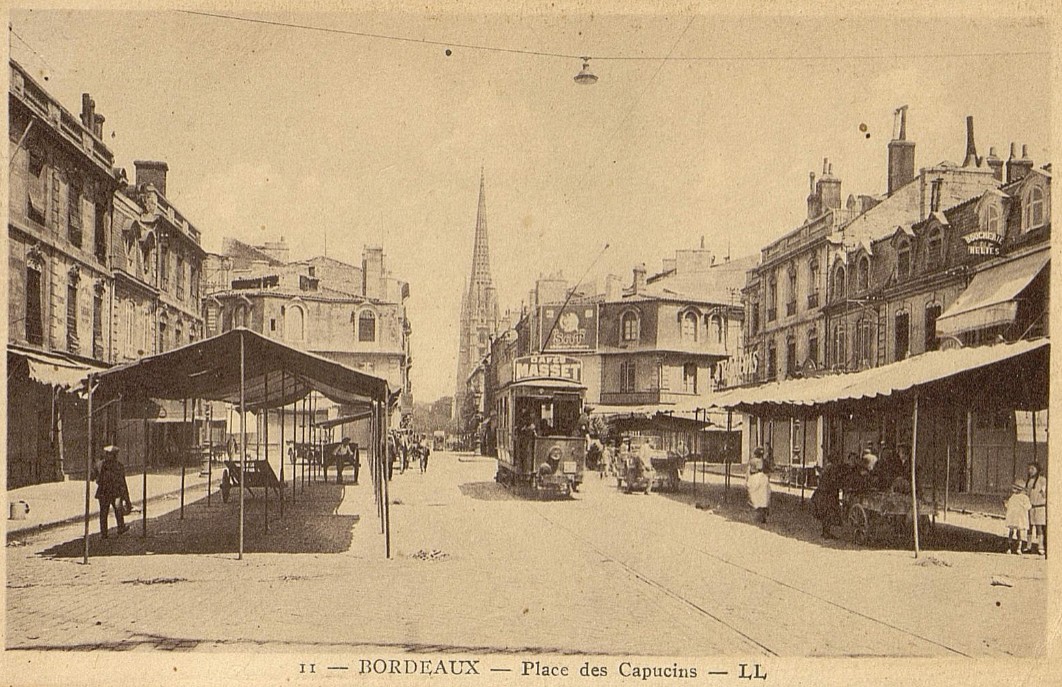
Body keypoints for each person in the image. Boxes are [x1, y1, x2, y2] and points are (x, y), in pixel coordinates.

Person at [95, 446, 131, 538]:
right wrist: (127, 499)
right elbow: (122, 483)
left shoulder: (100, 465)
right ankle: (117, 528)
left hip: (106, 492)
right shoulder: (118, 466)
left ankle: (107, 532)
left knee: (108, 511)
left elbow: (93, 476)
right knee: (114, 510)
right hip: (113, 492)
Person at [810, 454, 849, 539]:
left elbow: (822, 477)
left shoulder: (827, 467)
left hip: (822, 492)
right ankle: (826, 533)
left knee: (825, 512)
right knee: (828, 512)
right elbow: (833, 480)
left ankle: (825, 532)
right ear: (835, 460)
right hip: (828, 493)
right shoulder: (832, 468)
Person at [1004, 480, 1032, 555]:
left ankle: (1019, 548)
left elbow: (1028, 506)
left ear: (1019, 489)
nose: (1014, 490)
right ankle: (1009, 547)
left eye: (1015, 488)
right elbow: (1009, 505)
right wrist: (1006, 504)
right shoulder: (1013, 497)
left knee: (1019, 533)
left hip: (1020, 517)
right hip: (1013, 517)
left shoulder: (1024, 497)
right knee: (1011, 532)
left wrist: (1022, 506)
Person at [1025, 462, 1047, 556]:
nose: (1030, 471)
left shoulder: (1042, 480)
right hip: (1031, 506)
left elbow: (1044, 492)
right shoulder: (1029, 481)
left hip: (1039, 506)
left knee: (1039, 527)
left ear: (1037, 470)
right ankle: (1028, 546)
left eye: (1032, 469)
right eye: (1029, 469)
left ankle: (1040, 547)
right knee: (1029, 527)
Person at [747, 454, 771, 524]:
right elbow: (768, 471)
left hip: (755, 478)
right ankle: (764, 514)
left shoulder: (752, 461)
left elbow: (749, 472)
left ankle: (760, 513)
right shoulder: (763, 461)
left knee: (756, 497)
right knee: (764, 497)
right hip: (762, 478)